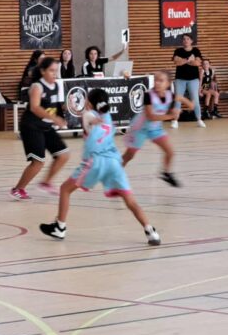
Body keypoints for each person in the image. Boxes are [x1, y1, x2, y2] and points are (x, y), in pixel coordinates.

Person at [40, 88, 161, 246]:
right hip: (114, 162)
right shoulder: (108, 116)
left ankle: (60, 227)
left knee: (65, 189)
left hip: (96, 161)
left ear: (90, 103)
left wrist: (80, 111)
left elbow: (88, 116)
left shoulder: (88, 115)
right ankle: (151, 232)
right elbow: (92, 116)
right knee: (130, 200)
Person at [11, 57, 69, 200]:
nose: (54, 74)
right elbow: (35, 107)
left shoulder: (56, 86)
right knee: (38, 162)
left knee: (63, 155)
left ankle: (46, 183)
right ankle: (18, 189)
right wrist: (55, 119)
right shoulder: (37, 86)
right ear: (43, 71)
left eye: (56, 71)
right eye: (51, 70)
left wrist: (66, 109)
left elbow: (54, 106)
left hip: (46, 126)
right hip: (31, 126)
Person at [122, 70, 192, 187]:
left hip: (155, 128)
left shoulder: (170, 95)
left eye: (161, 80)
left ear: (168, 83)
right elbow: (151, 117)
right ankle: (115, 173)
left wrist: (185, 107)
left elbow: (184, 101)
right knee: (129, 156)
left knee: (170, 152)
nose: (157, 83)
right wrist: (172, 116)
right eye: (156, 80)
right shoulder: (148, 95)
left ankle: (166, 173)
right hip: (140, 128)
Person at [171, 33, 205, 128]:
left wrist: (184, 61)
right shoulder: (178, 51)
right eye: (184, 39)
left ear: (191, 41)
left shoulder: (196, 50)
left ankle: (199, 119)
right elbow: (177, 63)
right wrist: (189, 59)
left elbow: (197, 63)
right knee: (178, 99)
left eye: (187, 39)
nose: (185, 40)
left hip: (193, 79)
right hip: (180, 79)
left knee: (195, 99)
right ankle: (175, 120)